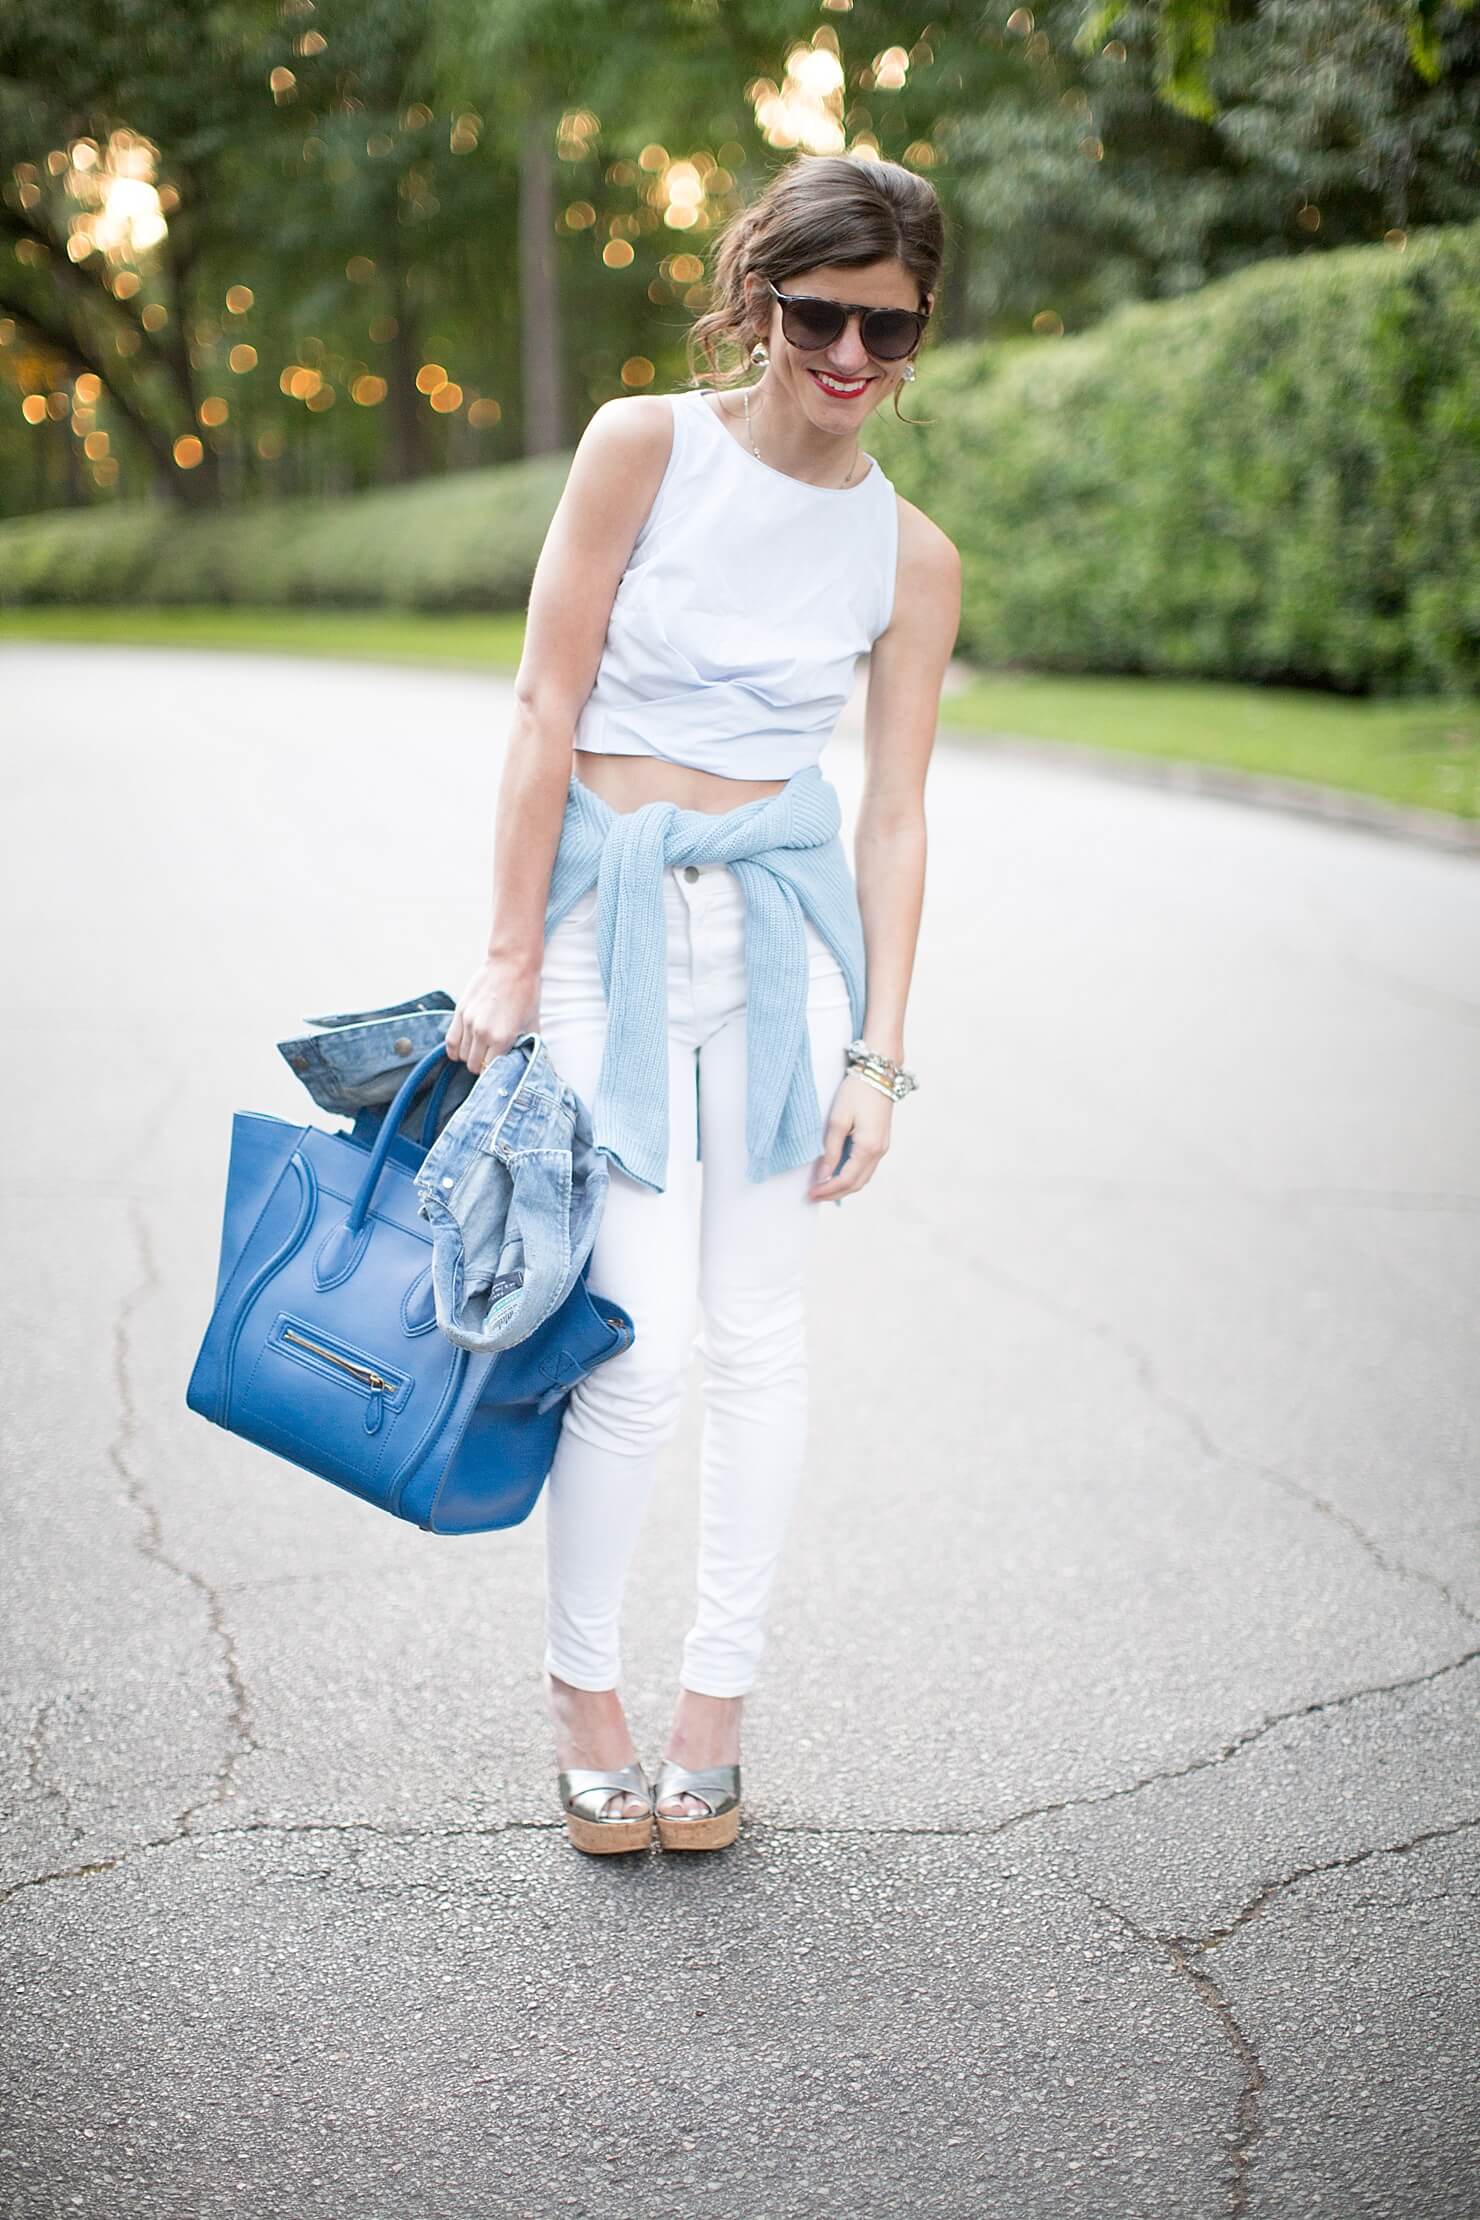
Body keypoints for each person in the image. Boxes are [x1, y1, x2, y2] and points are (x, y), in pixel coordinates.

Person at [444, 151, 961, 1854]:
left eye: (888, 330)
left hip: (774, 961)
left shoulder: (910, 553)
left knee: (760, 1340)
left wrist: (881, 1050)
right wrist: (509, 957)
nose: (850, 359)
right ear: (759, 298)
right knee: (643, 1346)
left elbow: (893, 814)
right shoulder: (640, 446)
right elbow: (543, 703)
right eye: (820, 316)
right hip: (605, 931)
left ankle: (711, 1710)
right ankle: (582, 1692)